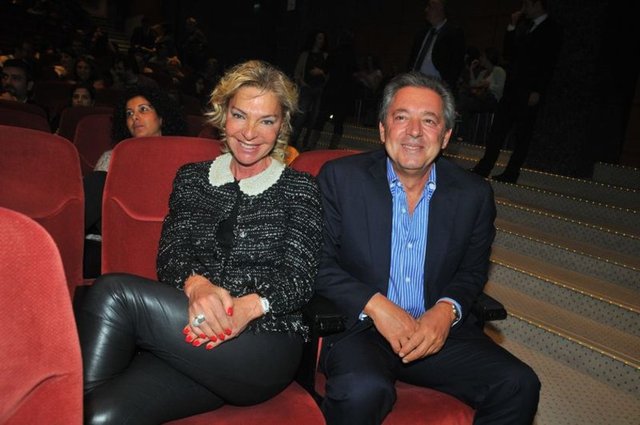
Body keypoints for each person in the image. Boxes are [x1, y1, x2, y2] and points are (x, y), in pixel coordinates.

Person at [76, 60, 324, 424]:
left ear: (282, 124)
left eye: (266, 121)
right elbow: (172, 253)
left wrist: (247, 308)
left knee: (113, 293)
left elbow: (299, 278)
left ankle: (64, 409)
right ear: (223, 115)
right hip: (193, 333)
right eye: (239, 116)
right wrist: (197, 286)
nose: (250, 133)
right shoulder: (192, 179)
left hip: (263, 346)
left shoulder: (300, 189)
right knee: (100, 415)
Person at [314, 72, 540, 425]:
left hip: (435, 333)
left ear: (446, 136)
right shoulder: (340, 178)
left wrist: (446, 311)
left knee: (519, 384)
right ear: (383, 129)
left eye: (429, 121)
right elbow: (318, 262)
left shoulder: (473, 195)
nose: (415, 132)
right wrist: (377, 306)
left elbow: (472, 271)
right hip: (362, 329)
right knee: (363, 391)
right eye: (402, 117)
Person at [83, 86, 187, 277]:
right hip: (119, 232)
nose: (135, 117)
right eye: (129, 113)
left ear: (161, 117)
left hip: (165, 232)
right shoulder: (112, 157)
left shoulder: (182, 156)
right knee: (98, 181)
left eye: (143, 110)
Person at [471, 0, 562, 183]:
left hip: (529, 90)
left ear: (538, 5)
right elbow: (509, 53)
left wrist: (537, 90)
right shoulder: (525, 26)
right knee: (498, 129)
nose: (523, 9)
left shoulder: (551, 29)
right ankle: (485, 166)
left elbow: (548, 63)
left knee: (522, 134)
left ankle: (512, 172)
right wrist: (512, 26)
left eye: (527, 4)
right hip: (512, 88)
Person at [409, 0, 465, 92]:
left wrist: (446, 87)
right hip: (414, 85)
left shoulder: (454, 33)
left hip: (437, 89)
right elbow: (412, 59)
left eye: (430, 6)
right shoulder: (421, 33)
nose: (426, 10)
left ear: (440, 8)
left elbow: (456, 65)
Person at [290, 30, 328, 147]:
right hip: (306, 88)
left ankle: (307, 144)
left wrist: (321, 72)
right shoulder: (305, 55)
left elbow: (328, 73)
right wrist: (302, 82)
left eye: (322, 38)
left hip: (319, 89)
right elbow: (297, 72)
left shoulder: (325, 56)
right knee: (301, 116)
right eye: (319, 38)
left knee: (314, 118)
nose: (321, 41)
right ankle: (293, 141)